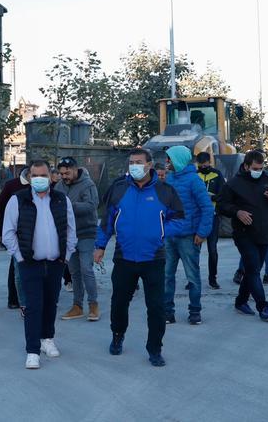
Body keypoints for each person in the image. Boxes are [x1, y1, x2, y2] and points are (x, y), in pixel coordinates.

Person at [94, 148, 187, 368]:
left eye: (138, 162)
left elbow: (181, 220)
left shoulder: (165, 191)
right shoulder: (118, 189)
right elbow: (107, 221)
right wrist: (100, 245)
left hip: (153, 258)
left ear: (149, 165)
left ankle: (155, 348)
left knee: (155, 307)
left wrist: (161, 231)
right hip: (124, 257)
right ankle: (117, 335)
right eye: (131, 162)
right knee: (119, 302)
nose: (134, 166)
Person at [2, 160, 77, 370]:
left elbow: (71, 230)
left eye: (43, 175)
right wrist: (19, 257)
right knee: (33, 306)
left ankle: (47, 339)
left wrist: (67, 256)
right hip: (30, 263)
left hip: (55, 262)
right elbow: (8, 232)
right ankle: (32, 350)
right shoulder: (18, 200)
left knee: (51, 303)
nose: (40, 179)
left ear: (51, 177)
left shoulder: (61, 199)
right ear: (30, 178)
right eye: (35, 176)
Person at [217, 151, 268, 322]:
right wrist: (237, 211)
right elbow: (221, 205)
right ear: (246, 166)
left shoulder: (267, 179)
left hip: (264, 233)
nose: (258, 171)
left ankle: (240, 301)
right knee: (254, 269)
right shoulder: (233, 184)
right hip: (243, 234)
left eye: (261, 168)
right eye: (255, 168)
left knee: (252, 270)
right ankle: (263, 307)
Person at [161, 146, 214, 325]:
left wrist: (202, 232)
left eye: (169, 159)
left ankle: (195, 311)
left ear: (178, 160)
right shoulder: (168, 179)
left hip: (188, 238)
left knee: (192, 276)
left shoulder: (194, 181)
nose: (167, 162)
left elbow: (207, 208)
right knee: (167, 275)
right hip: (169, 237)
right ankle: (168, 312)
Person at [54, 156, 101, 322]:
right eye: (61, 174)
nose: (64, 176)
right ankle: (77, 306)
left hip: (86, 232)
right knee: (74, 271)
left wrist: (69, 206)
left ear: (75, 169)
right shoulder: (59, 185)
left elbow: (91, 206)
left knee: (86, 269)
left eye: (67, 173)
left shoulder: (88, 185)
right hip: (68, 234)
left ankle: (93, 305)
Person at [0, 167, 31, 310]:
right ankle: (14, 299)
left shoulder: (43, 187)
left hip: (35, 233)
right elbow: (0, 207)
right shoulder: (12, 185)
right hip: (16, 233)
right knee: (16, 268)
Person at [196, 153, 227, 290]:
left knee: (212, 249)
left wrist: (211, 198)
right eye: (201, 164)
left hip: (213, 217)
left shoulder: (217, 175)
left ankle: (212, 278)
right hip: (197, 218)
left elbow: (224, 195)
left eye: (206, 163)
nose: (204, 166)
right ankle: (193, 277)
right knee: (195, 250)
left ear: (210, 162)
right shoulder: (195, 176)